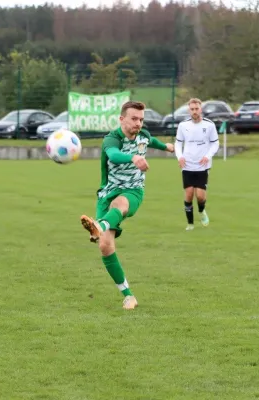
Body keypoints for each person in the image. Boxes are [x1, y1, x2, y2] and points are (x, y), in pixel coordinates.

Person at [79, 101, 175, 310]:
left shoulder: (143, 135)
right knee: (105, 246)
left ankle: (100, 226)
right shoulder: (111, 139)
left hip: (133, 191)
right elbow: (113, 155)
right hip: (107, 193)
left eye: (141, 119)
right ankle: (128, 296)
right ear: (122, 119)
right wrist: (133, 157)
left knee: (120, 204)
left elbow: (153, 141)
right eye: (134, 119)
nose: (138, 123)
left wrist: (167, 146)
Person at [174, 98, 219, 231]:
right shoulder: (183, 125)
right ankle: (190, 224)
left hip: (202, 165)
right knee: (188, 194)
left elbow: (215, 143)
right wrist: (180, 156)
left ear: (201, 109)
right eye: (192, 109)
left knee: (200, 196)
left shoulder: (209, 125)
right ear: (189, 110)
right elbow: (177, 143)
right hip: (187, 165)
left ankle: (201, 210)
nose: (194, 111)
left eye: (197, 109)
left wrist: (207, 156)